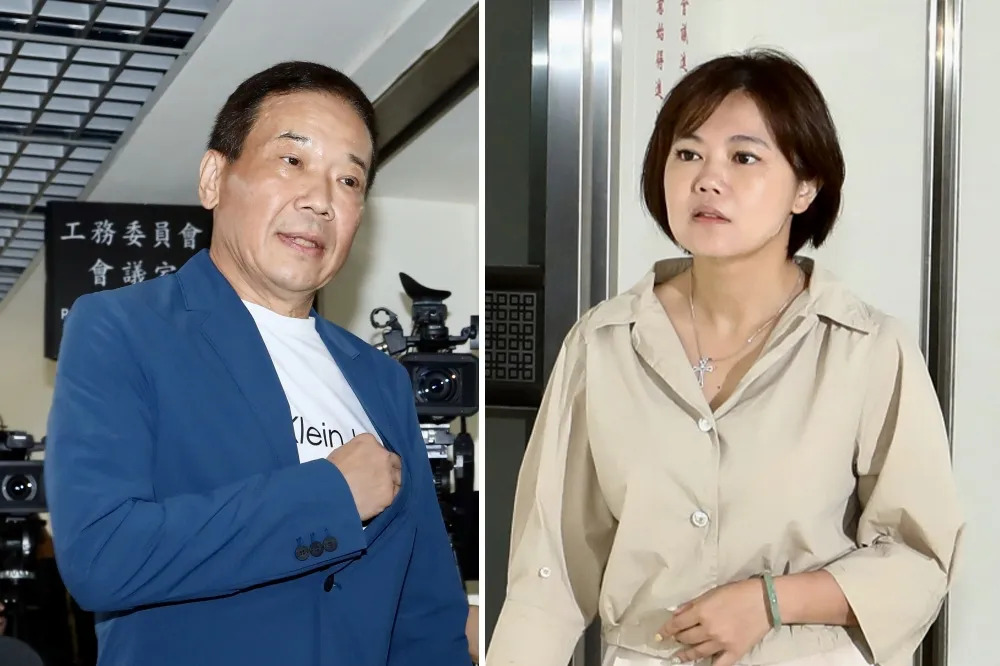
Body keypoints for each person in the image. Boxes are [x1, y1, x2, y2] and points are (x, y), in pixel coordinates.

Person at [487, 49, 963, 666]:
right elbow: (548, 574)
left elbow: (920, 557)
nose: (708, 179)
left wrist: (772, 601)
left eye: (744, 157)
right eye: (688, 154)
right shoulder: (602, 343)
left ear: (806, 187)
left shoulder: (866, 348)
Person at [44, 61, 472, 666]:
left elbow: (425, 609)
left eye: (349, 180)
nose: (321, 200)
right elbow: (101, 556)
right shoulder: (123, 328)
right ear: (213, 179)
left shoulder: (379, 381)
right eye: (292, 160)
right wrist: (330, 496)